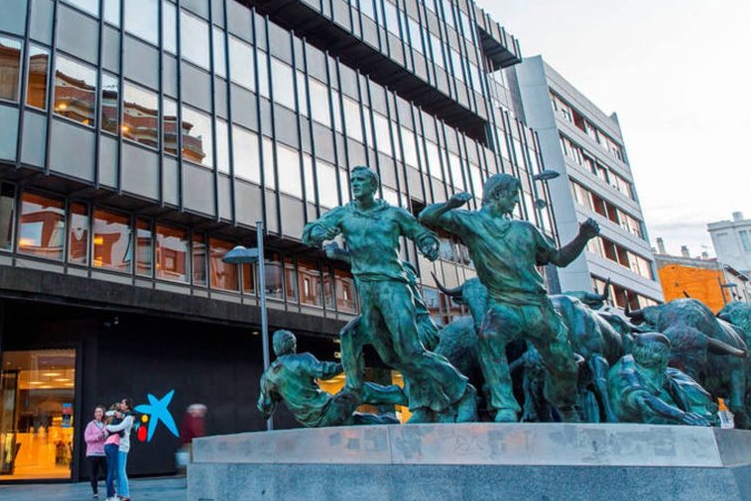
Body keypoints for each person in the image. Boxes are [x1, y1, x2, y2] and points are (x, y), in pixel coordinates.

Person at [420, 173, 600, 422]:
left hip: (538, 305)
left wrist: (583, 236)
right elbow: (426, 216)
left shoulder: (525, 229)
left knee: (565, 363)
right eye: (513, 194)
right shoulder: (471, 223)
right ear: (497, 195)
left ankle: (564, 403)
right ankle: (505, 406)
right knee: (489, 337)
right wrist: (451, 204)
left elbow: (560, 259)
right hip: (504, 303)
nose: (516, 200)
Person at [303, 166, 474, 422]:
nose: (355, 184)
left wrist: (428, 245)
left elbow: (422, 234)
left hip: (393, 286)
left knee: (410, 351)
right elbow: (314, 230)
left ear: (374, 186)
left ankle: (463, 392)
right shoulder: (343, 215)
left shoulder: (393, 214)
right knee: (389, 355)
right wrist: (316, 234)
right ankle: (434, 404)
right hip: (367, 291)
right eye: (352, 180)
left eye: (361, 180)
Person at [258, 330, 405, 427]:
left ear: (275, 346)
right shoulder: (301, 360)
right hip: (327, 409)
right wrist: (346, 364)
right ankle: (405, 398)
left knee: (356, 420)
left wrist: (279, 391)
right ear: (292, 346)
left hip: (313, 422)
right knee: (359, 390)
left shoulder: (267, 378)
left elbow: (265, 410)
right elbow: (325, 371)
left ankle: (391, 422)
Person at [607, 333, 717, 426]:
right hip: (635, 419)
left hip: (649, 409)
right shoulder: (627, 376)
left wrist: (687, 412)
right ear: (659, 357)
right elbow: (645, 400)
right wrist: (681, 416)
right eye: (668, 354)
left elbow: (672, 385)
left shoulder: (650, 366)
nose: (669, 357)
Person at [106, 398, 135, 501]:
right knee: (118, 471)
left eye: (122, 403)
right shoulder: (124, 416)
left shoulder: (129, 418)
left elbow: (118, 427)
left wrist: (107, 427)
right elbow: (107, 413)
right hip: (119, 445)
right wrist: (115, 412)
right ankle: (120, 493)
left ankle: (125, 494)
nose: (120, 405)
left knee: (121, 471)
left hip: (123, 446)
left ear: (127, 405)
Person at [84, 405, 108, 499]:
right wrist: (97, 437)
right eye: (97, 412)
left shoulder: (106, 424)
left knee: (107, 472)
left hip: (103, 452)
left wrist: (105, 436)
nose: (98, 413)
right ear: (94, 414)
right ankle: (95, 493)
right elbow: (87, 438)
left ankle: (110, 491)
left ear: (103, 413)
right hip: (93, 453)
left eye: (100, 412)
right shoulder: (90, 425)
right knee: (94, 473)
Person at [103, 406, 124, 501]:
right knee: (111, 472)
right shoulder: (116, 420)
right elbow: (121, 432)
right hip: (113, 446)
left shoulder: (109, 420)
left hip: (107, 445)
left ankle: (112, 493)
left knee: (110, 472)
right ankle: (109, 497)